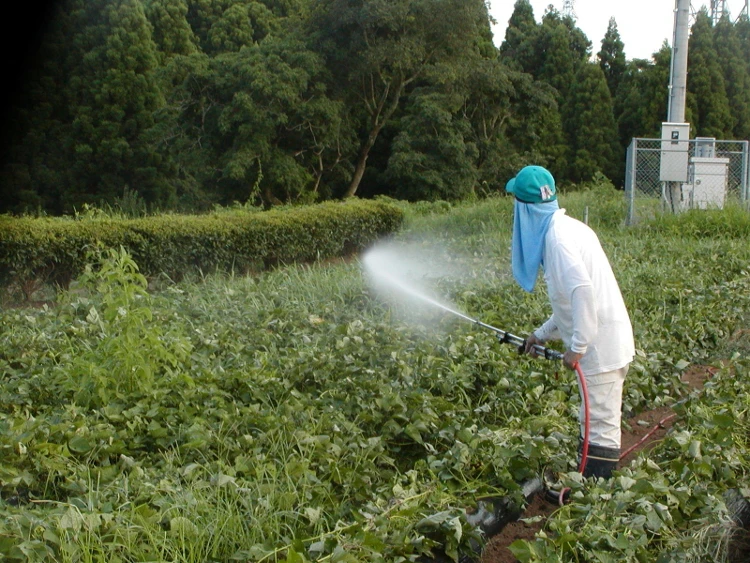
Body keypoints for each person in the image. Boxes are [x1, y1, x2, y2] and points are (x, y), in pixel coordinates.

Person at [505, 165, 635, 480]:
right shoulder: (567, 229)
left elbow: (582, 293)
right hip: (603, 340)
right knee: (591, 419)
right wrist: (539, 336)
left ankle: (597, 496)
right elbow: (569, 305)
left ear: (526, 208)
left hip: (600, 348)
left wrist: (577, 347)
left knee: (600, 425)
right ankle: (589, 484)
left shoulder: (558, 240)